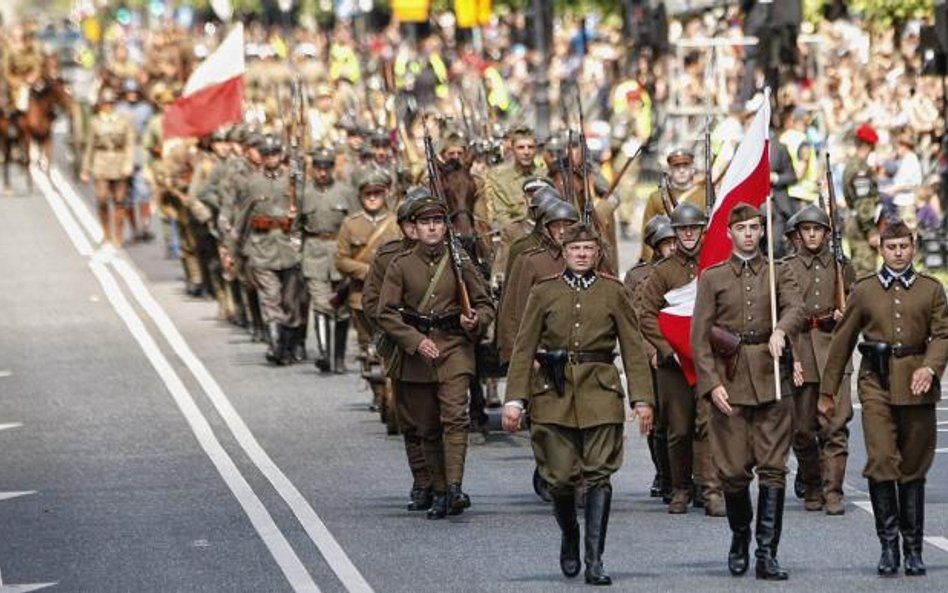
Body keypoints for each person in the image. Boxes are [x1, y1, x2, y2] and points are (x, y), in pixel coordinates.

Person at [502, 221, 654, 585]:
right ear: (564, 254)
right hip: (552, 394)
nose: (582, 255)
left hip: (600, 391)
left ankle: (595, 560)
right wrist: (514, 400)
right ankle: (570, 535)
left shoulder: (613, 292)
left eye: (588, 249)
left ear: (597, 253)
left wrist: (642, 398)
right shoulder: (544, 292)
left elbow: (633, 348)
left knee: (600, 475)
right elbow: (524, 348)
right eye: (575, 250)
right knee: (559, 479)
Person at [820, 220, 948, 577]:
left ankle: (914, 549)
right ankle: (888, 547)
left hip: (917, 384)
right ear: (880, 248)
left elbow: (942, 335)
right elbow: (842, 341)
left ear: (914, 247)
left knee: (913, 467)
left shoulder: (931, 290)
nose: (898, 253)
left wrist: (931, 368)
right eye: (891, 247)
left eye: (904, 247)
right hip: (875, 383)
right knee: (880, 462)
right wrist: (827, 391)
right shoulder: (864, 291)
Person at [691, 202, 804, 581]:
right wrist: (711, 384)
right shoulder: (712, 278)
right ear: (730, 233)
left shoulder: (779, 271)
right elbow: (699, 338)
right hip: (731, 380)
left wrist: (781, 330)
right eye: (743, 229)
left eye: (756, 228)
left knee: (773, 470)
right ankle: (740, 536)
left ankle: (766, 553)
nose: (750, 234)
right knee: (734, 472)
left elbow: (797, 308)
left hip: (772, 379)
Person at [378, 194, 495, 519]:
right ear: (413, 227)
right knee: (427, 426)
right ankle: (440, 489)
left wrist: (476, 320)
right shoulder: (400, 265)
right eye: (425, 222)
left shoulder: (461, 261)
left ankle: (455, 486)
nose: (432, 228)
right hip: (417, 354)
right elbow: (385, 313)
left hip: (455, 347)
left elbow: (485, 303)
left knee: (456, 419)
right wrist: (414, 341)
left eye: (438, 222)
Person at [639, 202, 724, 516]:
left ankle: (711, 490)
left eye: (694, 228)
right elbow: (646, 315)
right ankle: (680, 488)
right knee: (678, 429)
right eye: (682, 229)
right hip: (673, 364)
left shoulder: (714, 265)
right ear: (675, 233)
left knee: (709, 424)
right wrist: (666, 348)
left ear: (702, 230)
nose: (688, 234)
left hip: (705, 360)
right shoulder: (662, 271)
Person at [781, 205, 855, 515]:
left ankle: (833, 491)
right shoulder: (787, 268)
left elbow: (857, 303)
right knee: (802, 428)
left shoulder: (842, 265)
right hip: (800, 349)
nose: (812, 234)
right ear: (798, 234)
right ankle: (811, 483)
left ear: (827, 233)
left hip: (833, 349)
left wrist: (844, 313)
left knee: (835, 426)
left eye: (818, 229)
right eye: (807, 229)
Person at [362, 187, 430, 502]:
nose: (422, 229)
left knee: (448, 418)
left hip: (443, 347)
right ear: (403, 225)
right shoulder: (389, 256)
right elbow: (372, 303)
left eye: (431, 220)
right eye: (414, 222)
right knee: (411, 418)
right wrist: (399, 333)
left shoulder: (453, 256)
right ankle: (422, 480)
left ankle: (446, 482)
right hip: (402, 347)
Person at [230, 135, 306, 364]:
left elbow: (306, 215)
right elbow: (241, 218)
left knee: (291, 302)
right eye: (266, 155)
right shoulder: (252, 182)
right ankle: (276, 346)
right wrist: (233, 251)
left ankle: (292, 344)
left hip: (289, 248)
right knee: (270, 298)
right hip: (261, 248)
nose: (271, 158)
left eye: (274, 154)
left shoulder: (293, 182)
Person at [623, 215, 676, 501]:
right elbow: (633, 320)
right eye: (665, 242)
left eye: (673, 241)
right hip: (652, 355)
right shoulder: (638, 276)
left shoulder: (687, 271)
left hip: (682, 353)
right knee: (657, 422)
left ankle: (683, 475)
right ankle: (663, 473)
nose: (671, 247)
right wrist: (651, 351)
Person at [336, 168, 401, 397]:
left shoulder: (397, 224)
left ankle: (394, 388)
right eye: (367, 193)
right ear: (360, 195)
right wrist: (367, 271)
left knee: (394, 342)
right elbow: (341, 260)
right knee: (367, 345)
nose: (372, 197)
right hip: (360, 297)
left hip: (393, 297)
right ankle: (377, 391)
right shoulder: (350, 224)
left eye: (377, 192)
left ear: (386, 194)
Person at [497, 196, 579, 363]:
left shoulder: (591, 258)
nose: (562, 231)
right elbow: (512, 310)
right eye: (556, 226)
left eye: (568, 226)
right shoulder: (531, 261)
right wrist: (515, 354)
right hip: (542, 351)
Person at [298, 147, 358, 373]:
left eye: (327, 168)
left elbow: (355, 224)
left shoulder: (345, 192)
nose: (322, 173)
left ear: (333, 168)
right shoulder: (304, 193)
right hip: (313, 253)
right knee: (321, 302)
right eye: (318, 168)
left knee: (341, 308)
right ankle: (324, 354)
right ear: (313, 169)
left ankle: (339, 357)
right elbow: (295, 227)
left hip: (339, 253)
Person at [81, 88, 135, 247]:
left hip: (119, 162)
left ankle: (118, 234)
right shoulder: (95, 122)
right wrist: (86, 169)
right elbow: (89, 146)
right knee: (102, 198)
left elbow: (129, 144)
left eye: (111, 103)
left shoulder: (123, 121)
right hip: (101, 163)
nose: (108, 106)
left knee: (120, 200)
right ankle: (106, 233)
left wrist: (128, 164)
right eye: (105, 103)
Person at [640, 148, 703, 261]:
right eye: (677, 167)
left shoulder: (704, 195)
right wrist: (649, 262)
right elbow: (648, 234)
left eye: (686, 166)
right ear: (669, 170)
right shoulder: (656, 197)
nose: (682, 171)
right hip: (665, 258)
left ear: (693, 169)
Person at [484, 125, 546, 228]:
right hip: (515, 237)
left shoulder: (546, 176)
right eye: (520, 147)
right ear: (512, 149)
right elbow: (502, 216)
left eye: (530, 147)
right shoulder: (501, 180)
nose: (526, 152)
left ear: (536, 149)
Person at [842, 124, 882, 278]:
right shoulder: (861, 169)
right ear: (869, 145)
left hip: (855, 221)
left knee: (859, 267)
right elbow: (863, 203)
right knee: (865, 270)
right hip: (861, 224)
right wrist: (871, 231)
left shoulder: (851, 164)